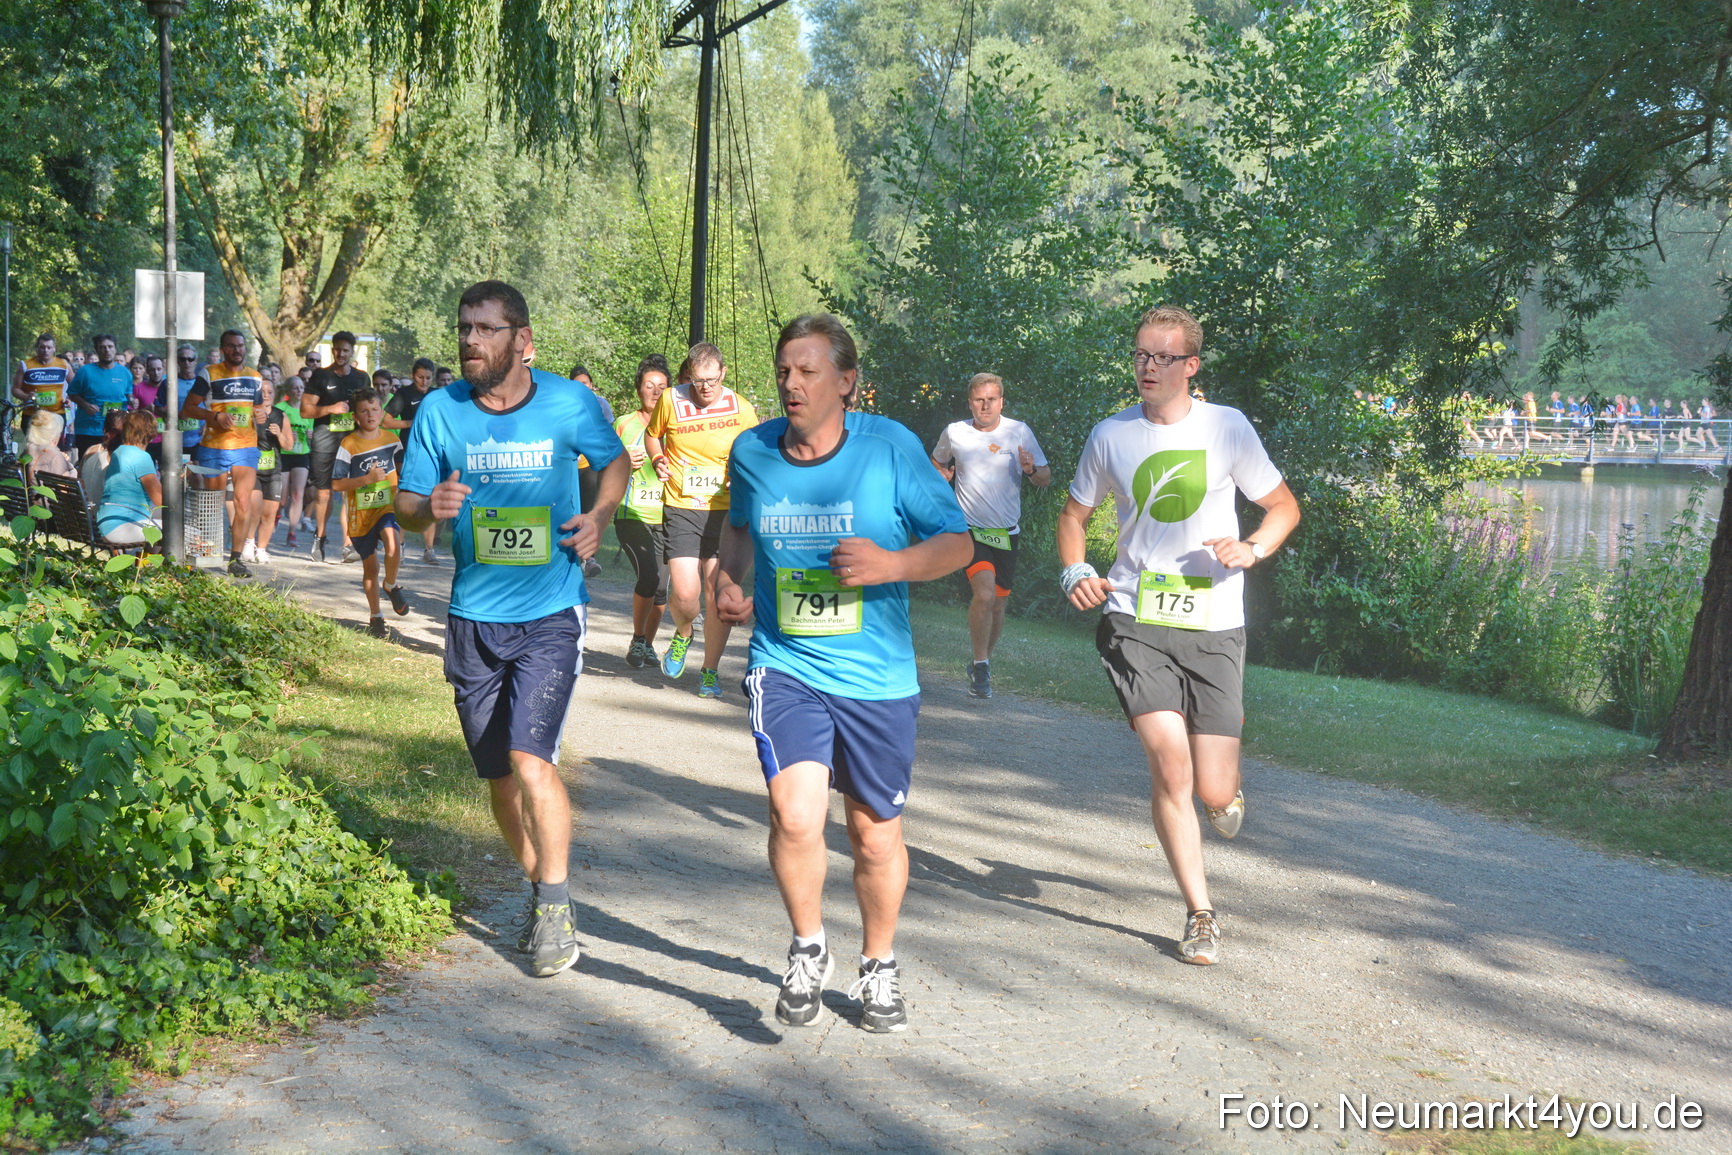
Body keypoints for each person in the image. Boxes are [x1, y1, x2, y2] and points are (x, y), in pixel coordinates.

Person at [715, 313, 971, 1032]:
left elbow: (957, 542)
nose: (792, 384)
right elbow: (737, 527)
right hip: (785, 662)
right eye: (784, 371)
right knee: (795, 813)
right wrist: (729, 582)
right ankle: (806, 946)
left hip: (877, 676)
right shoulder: (752, 451)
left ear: (846, 381)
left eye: (808, 371)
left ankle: (879, 964)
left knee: (874, 834)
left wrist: (891, 564)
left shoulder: (890, 449)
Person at [395, 280, 627, 978]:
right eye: (464, 327)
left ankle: (554, 907)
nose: (470, 340)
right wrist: (426, 505)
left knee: (533, 761)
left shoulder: (568, 403)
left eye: (486, 329)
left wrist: (600, 515)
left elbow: (613, 460)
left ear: (521, 340)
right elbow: (406, 503)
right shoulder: (440, 410)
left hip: (550, 612)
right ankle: (541, 887)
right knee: (499, 779)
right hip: (472, 617)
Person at [1056, 305, 1300, 967]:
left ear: (1191, 365)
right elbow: (1073, 515)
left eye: (1164, 357)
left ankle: (1225, 793)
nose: (1148, 367)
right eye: (1140, 354)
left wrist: (1252, 547)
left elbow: (1284, 507)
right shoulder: (1111, 435)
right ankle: (1200, 912)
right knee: (1171, 764)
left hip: (1215, 624)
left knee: (1213, 790)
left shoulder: (1227, 429)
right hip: (1136, 619)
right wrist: (1075, 568)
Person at [643, 341, 759, 698]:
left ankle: (710, 671)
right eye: (698, 380)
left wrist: (740, 473)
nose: (705, 387)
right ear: (690, 376)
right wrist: (658, 459)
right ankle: (683, 632)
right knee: (686, 593)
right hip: (681, 506)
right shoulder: (672, 400)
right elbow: (652, 437)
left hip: (725, 512)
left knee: (716, 592)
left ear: (723, 373)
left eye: (711, 379)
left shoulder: (740, 408)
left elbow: (756, 450)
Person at [929, 372, 1051, 698]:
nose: (985, 405)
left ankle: (980, 660)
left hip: (1007, 532)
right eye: (979, 400)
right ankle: (982, 666)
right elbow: (937, 464)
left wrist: (1030, 469)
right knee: (983, 595)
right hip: (969, 530)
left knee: (998, 605)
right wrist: (940, 477)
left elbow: (1044, 478)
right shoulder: (955, 432)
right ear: (970, 402)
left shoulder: (1019, 432)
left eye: (991, 399)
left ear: (1002, 402)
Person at [184, 329, 265, 578]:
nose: (237, 350)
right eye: (231, 346)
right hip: (215, 447)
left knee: (243, 501)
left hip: (246, 447)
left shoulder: (255, 377)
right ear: (222, 349)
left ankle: (236, 559)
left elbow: (259, 409)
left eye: (240, 346)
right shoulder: (209, 374)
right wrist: (214, 416)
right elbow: (188, 408)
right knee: (213, 503)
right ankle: (207, 552)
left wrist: (262, 415)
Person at [331, 387, 408, 636]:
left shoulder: (391, 439)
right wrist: (366, 479)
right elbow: (336, 483)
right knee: (370, 568)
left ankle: (391, 584)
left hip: (387, 506)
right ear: (355, 416)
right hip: (361, 513)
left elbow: (402, 468)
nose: (371, 414)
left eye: (375, 409)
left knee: (393, 543)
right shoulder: (349, 444)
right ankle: (376, 616)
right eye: (364, 411)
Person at [613, 354, 671, 668]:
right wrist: (623, 462)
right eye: (649, 385)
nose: (656, 391)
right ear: (639, 389)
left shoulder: (676, 428)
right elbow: (601, 463)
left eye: (662, 386)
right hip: (631, 514)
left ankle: (647, 644)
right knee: (648, 576)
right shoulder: (624, 423)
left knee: (662, 587)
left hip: (668, 517)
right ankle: (638, 640)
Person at [301, 331, 370, 564]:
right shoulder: (320, 375)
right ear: (332, 350)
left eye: (346, 350)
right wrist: (331, 409)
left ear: (352, 352)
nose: (341, 354)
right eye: (337, 349)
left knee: (351, 492)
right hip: (325, 441)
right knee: (323, 493)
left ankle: (349, 544)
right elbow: (305, 411)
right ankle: (319, 537)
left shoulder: (361, 378)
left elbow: (368, 408)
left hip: (352, 443)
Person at [384, 357, 444, 563]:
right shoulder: (404, 393)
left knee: (431, 497)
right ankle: (400, 546)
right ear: (413, 375)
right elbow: (386, 420)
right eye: (420, 377)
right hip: (407, 451)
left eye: (428, 378)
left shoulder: (437, 395)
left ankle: (429, 549)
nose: (424, 381)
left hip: (432, 452)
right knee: (405, 496)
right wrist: (411, 423)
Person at [244, 379, 296, 564]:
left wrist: (279, 434)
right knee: (254, 508)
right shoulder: (250, 414)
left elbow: (289, 445)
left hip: (273, 469)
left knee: (269, 513)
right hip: (253, 469)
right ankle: (249, 543)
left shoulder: (281, 416)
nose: (266, 395)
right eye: (262, 391)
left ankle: (263, 548)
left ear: (275, 394)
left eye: (269, 392)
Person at [96, 411, 165, 548]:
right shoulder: (141, 457)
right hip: (122, 525)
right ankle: (171, 568)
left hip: (107, 521)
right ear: (151, 434)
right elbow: (161, 500)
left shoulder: (119, 451)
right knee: (185, 531)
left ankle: (148, 565)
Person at [66, 334, 134, 459]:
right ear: (97, 351)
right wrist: (85, 405)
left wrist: (132, 401)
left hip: (116, 429)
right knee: (88, 467)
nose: (107, 350)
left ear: (115, 349)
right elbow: (72, 393)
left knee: (114, 466)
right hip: (89, 429)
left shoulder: (124, 373)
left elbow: (128, 393)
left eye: (110, 347)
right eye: (102, 347)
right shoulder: (85, 371)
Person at [275, 374, 314, 547]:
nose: (299, 391)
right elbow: (272, 432)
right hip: (284, 454)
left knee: (297, 495)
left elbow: (311, 432)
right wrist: (285, 435)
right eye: (295, 388)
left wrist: (310, 435)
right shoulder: (280, 408)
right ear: (288, 391)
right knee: (282, 499)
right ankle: (276, 514)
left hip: (301, 453)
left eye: (302, 388)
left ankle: (292, 532)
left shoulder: (308, 410)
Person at [13, 332, 71, 432]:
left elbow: (75, 386)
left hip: (56, 414)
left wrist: (69, 399)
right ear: (37, 348)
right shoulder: (25, 365)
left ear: (54, 348)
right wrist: (26, 397)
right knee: (33, 447)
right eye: (42, 347)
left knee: (55, 447)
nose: (45, 350)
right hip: (32, 414)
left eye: (49, 347)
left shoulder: (63, 364)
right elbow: (15, 389)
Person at [79, 410, 126, 510]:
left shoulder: (90, 451)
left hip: (86, 516)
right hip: (104, 519)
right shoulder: (119, 456)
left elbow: (80, 481)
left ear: (104, 429)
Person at [21, 410, 74, 486]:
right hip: (47, 497)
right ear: (55, 437)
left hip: (28, 496)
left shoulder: (26, 452)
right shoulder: (55, 457)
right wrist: (69, 466)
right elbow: (65, 491)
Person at [172, 343, 205, 465]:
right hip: (177, 439)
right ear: (177, 361)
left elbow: (213, 406)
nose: (187, 362)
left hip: (199, 438)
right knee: (180, 473)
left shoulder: (203, 383)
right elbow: (159, 409)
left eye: (190, 359)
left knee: (198, 473)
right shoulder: (169, 383)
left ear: (196, 361)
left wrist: (208, 424)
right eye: (183, 359)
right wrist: (176, 415)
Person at [134, 354, 168, 466]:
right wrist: (145, 410)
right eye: (152, 370)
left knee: (168, 474)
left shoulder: (171, 387)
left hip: (166, 439)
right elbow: (130, 415)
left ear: (163, 369)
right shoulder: (138, 388)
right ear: (147, 371)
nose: (156, 372)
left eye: (159, 369)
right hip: (146, 439)